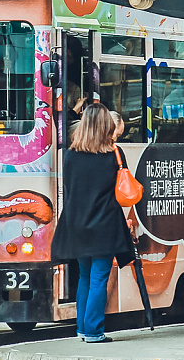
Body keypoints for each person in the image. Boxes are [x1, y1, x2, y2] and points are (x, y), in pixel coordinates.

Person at [50, 103, 135, 343]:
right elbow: (122, 191)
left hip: (76, 224)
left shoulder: (69, 156)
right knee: (99, 278)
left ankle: (82, 328)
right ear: (107, 126)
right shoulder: (114, 155)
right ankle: (94, 331)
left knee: (84, 277)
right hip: (104, 226)